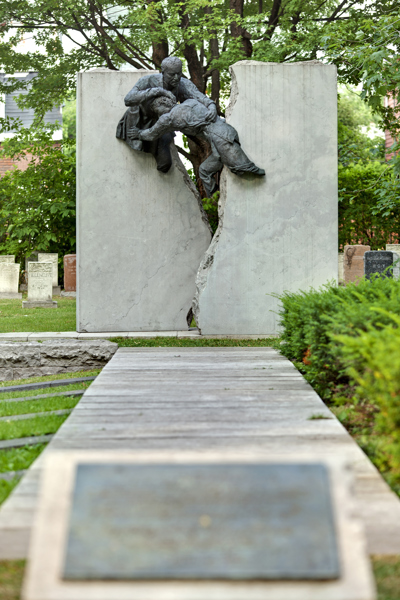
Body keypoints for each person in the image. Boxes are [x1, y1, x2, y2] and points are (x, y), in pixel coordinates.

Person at [127, 95, 265, 197]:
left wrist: (138, 133)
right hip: (225, 132)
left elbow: (152, 133)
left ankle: (217, 196)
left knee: (243, 168)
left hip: (221, 138)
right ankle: (214, 197)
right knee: (204, 170)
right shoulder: (191, 102)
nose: (157, 113)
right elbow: (209, 105)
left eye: (156, 109)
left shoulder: (168, 118)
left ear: (164, 103)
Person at [116, 57, 217, 173]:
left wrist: (211, 105)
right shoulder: (149, 80)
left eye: (179, 73)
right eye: (172, 74)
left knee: (165, 164)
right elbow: (128, 99)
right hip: (140, 121)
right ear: (163, 72)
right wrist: (157, 91)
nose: (176, 78)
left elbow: (198, 96)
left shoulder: (182, 83)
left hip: (164, 123)